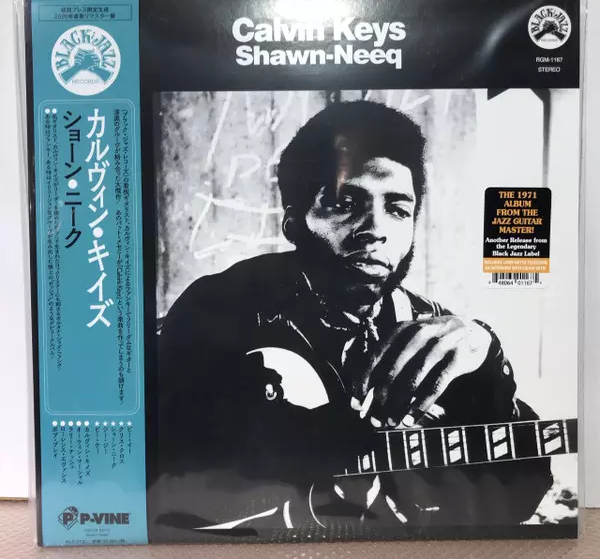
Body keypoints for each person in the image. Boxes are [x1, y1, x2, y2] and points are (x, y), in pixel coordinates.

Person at [150, 100, 553, 540]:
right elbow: (164, 470)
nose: (376, 229)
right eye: (345, 203)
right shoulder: (223, 307)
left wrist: (491, 362)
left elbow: (521, 486)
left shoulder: (433, 331)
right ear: (294, 222)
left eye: (398, 209)